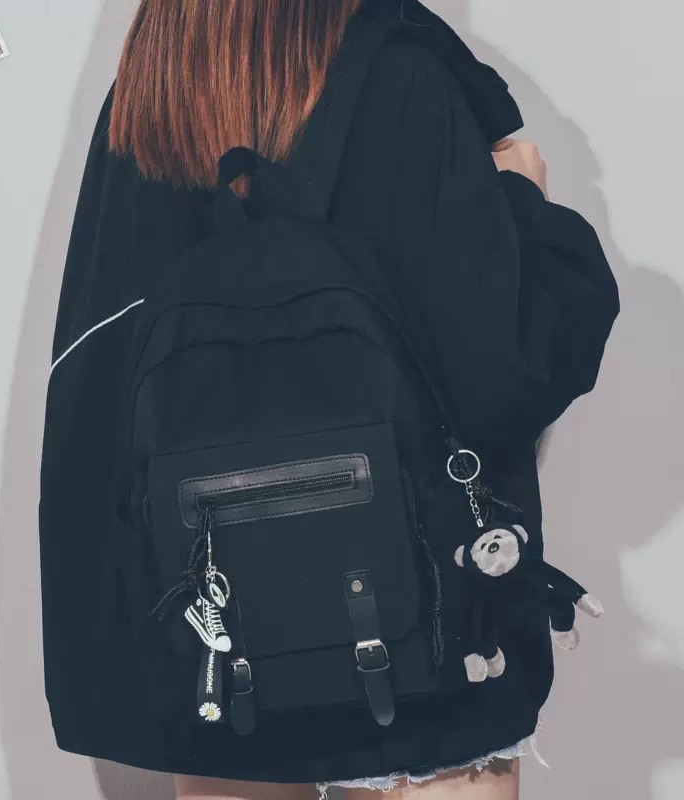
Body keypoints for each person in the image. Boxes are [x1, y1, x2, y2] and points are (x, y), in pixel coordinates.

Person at [38, 1, 618, 799]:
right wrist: (525, 200)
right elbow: (512, 370)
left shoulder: (159, 88)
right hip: (422, 634)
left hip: (218, 634)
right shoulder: (400, 73)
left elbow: (98, 374)